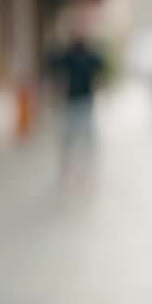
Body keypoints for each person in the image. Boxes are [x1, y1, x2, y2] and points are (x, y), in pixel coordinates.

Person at [45, 19, 106, 187]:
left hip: (85, 103)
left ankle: (86, 174)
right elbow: (53, 65)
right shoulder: (68, 54)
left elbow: (101, 68)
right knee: (68, 140)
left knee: (87, 141)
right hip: (71, 103)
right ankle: (66, 172)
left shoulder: (90, 54)